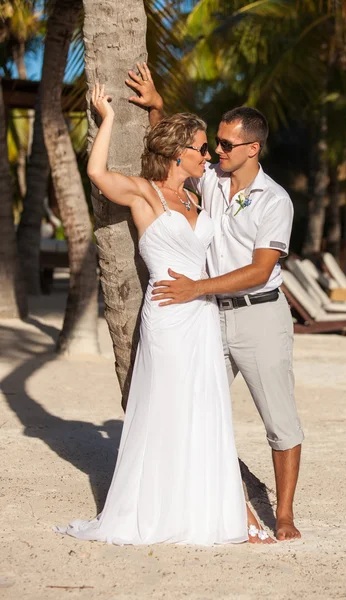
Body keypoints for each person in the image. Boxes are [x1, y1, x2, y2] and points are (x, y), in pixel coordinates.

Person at [55, 80, 273, 545]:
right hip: (168, 315)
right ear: (179, 155)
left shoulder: (197, 193)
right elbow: (97, 173)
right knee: (170, 408)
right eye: (200, 148)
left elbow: (174, 138)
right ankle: (162, 509)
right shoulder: (146, 195)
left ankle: (222, 510)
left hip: (202, 314)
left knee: (206, 408)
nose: (209, 154)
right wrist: (108, 119)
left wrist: (157, 105)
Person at [126, 64, 304, 541]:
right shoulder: (210, 181)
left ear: (252, 148)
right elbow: (178, 155)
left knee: (278, 420)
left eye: (225, 145)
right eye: (215, 144)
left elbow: (260, 270)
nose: (216, 151)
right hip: (206, 321)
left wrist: (195, 289)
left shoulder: (275, 201)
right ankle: (210, 502)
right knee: (195, 406)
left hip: (259, 316)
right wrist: (158, 107)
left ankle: (283, 514)